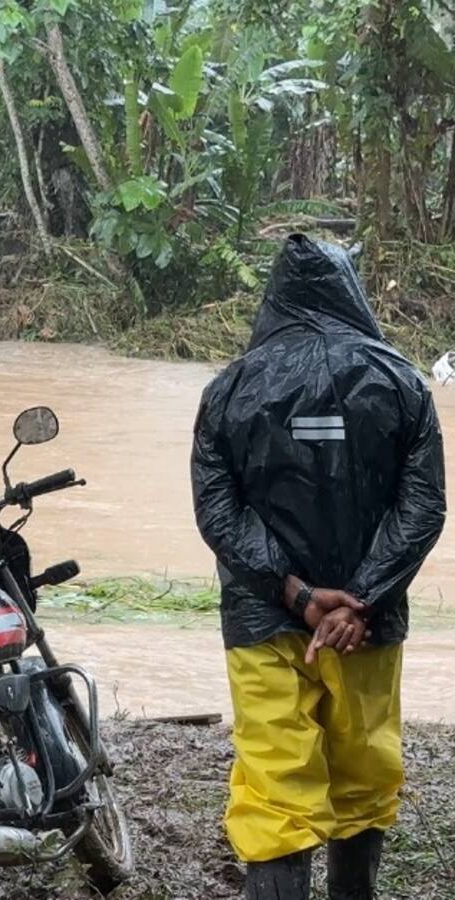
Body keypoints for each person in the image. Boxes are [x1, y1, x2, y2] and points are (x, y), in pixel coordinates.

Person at [191, 234, 446, 900]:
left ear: (274, 297)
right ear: (351, 293)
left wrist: (299, 595)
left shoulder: (229, 390)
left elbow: (219, 516)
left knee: (278, 788)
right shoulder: (402, 383)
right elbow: (422, 510)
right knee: (363, 773)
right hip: (367, 627)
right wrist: (360, 599)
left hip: (266, 623)